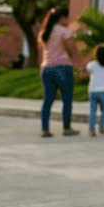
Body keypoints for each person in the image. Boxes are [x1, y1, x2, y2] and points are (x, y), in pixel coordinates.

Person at [37, 7, 81, 138]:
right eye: (66, 18)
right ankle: (67, 128)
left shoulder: (45, 32)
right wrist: (80, 66)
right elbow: (73, 50)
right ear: (61, 18)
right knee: (67, 100)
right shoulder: (64, 31)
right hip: (63, 68)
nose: (68, 20)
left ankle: (45, 129)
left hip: (46, 69)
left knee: (47, 101)